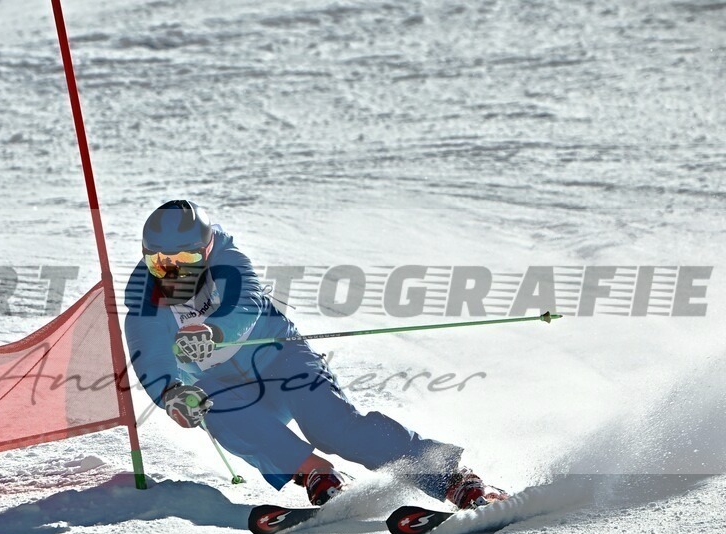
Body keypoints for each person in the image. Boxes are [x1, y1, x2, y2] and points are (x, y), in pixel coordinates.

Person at [123, 199, 507, 509]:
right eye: (159, 261)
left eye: (185, 260)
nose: (171, 271)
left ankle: (450, 477)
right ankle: (318, 475)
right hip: (228, 389)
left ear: (205, 249)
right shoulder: (145, 299)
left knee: (334, 428)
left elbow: (247, 303)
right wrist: (173, 394)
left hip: (281, 361)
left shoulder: (229, 260)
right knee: (215, 411)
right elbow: (150, 357)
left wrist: (215, 331)